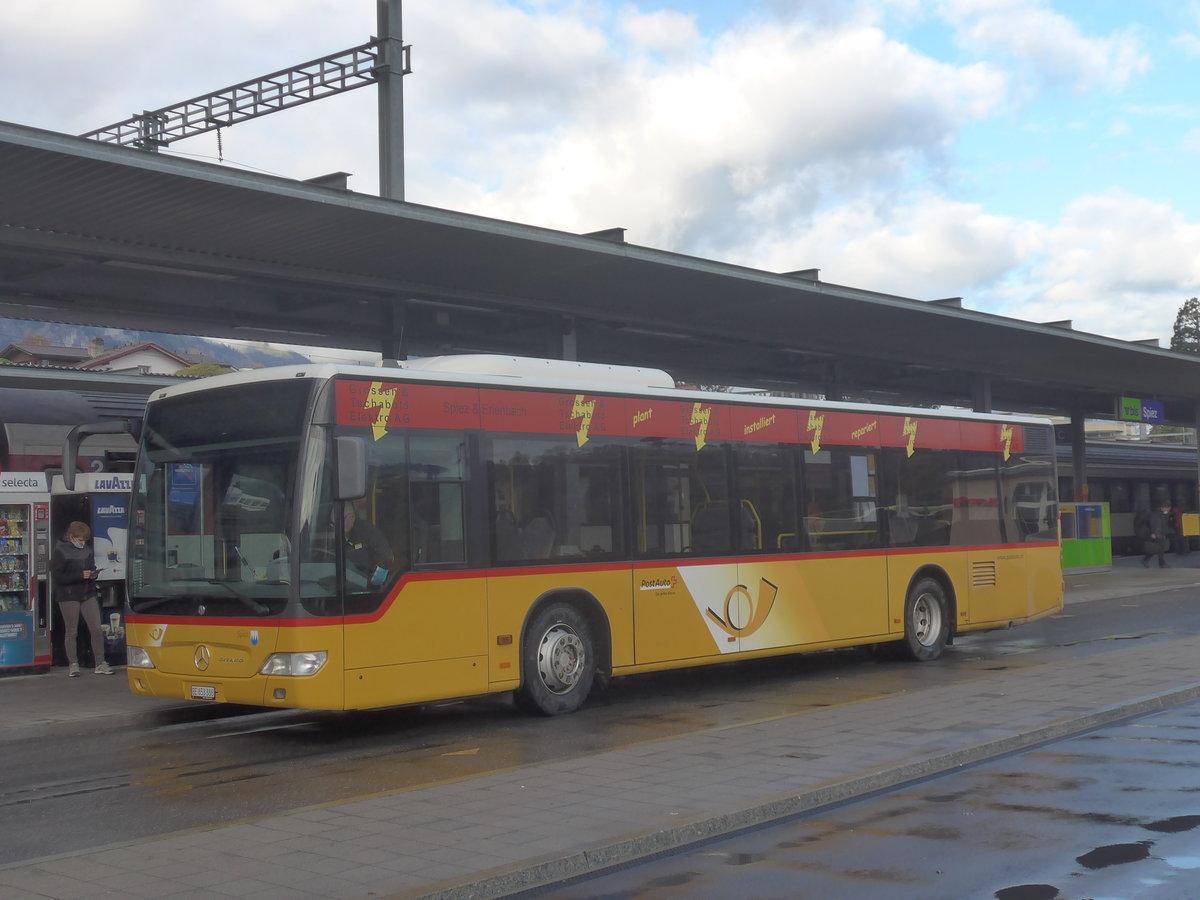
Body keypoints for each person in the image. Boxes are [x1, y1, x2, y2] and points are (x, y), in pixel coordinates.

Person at [50, 521, 113, 676]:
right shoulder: (60, 551)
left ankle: (100, 662)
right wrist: (80, 575)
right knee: (72, 631)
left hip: (87, 593)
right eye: (80, 540)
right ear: (71, 537)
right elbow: (57, 576)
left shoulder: (87, 550)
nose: (82, 543)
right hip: (68, 595)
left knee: (97, 629)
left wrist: (93, 573)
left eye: (84, 540)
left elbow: (91, 567)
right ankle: (73, 664)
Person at [341, 503, 394, 584]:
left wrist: (369, 583)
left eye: (338, 522)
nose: (334, 527)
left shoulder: (368, 532)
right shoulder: (334, 535)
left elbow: (386, 557)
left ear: (351, 517)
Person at [1142, 502, 1174, 569]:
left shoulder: (1164, 514)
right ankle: (1161, 563)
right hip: (1157, 534)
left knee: (1156, 549)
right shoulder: (1156, 514)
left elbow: (1164, 525)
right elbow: (1154, 524)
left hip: (1160, 534)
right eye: (1168, 509)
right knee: (1160, 548)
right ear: (1164, 507)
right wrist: (1153, 533)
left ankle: (1146, 559)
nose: (1168, 511)